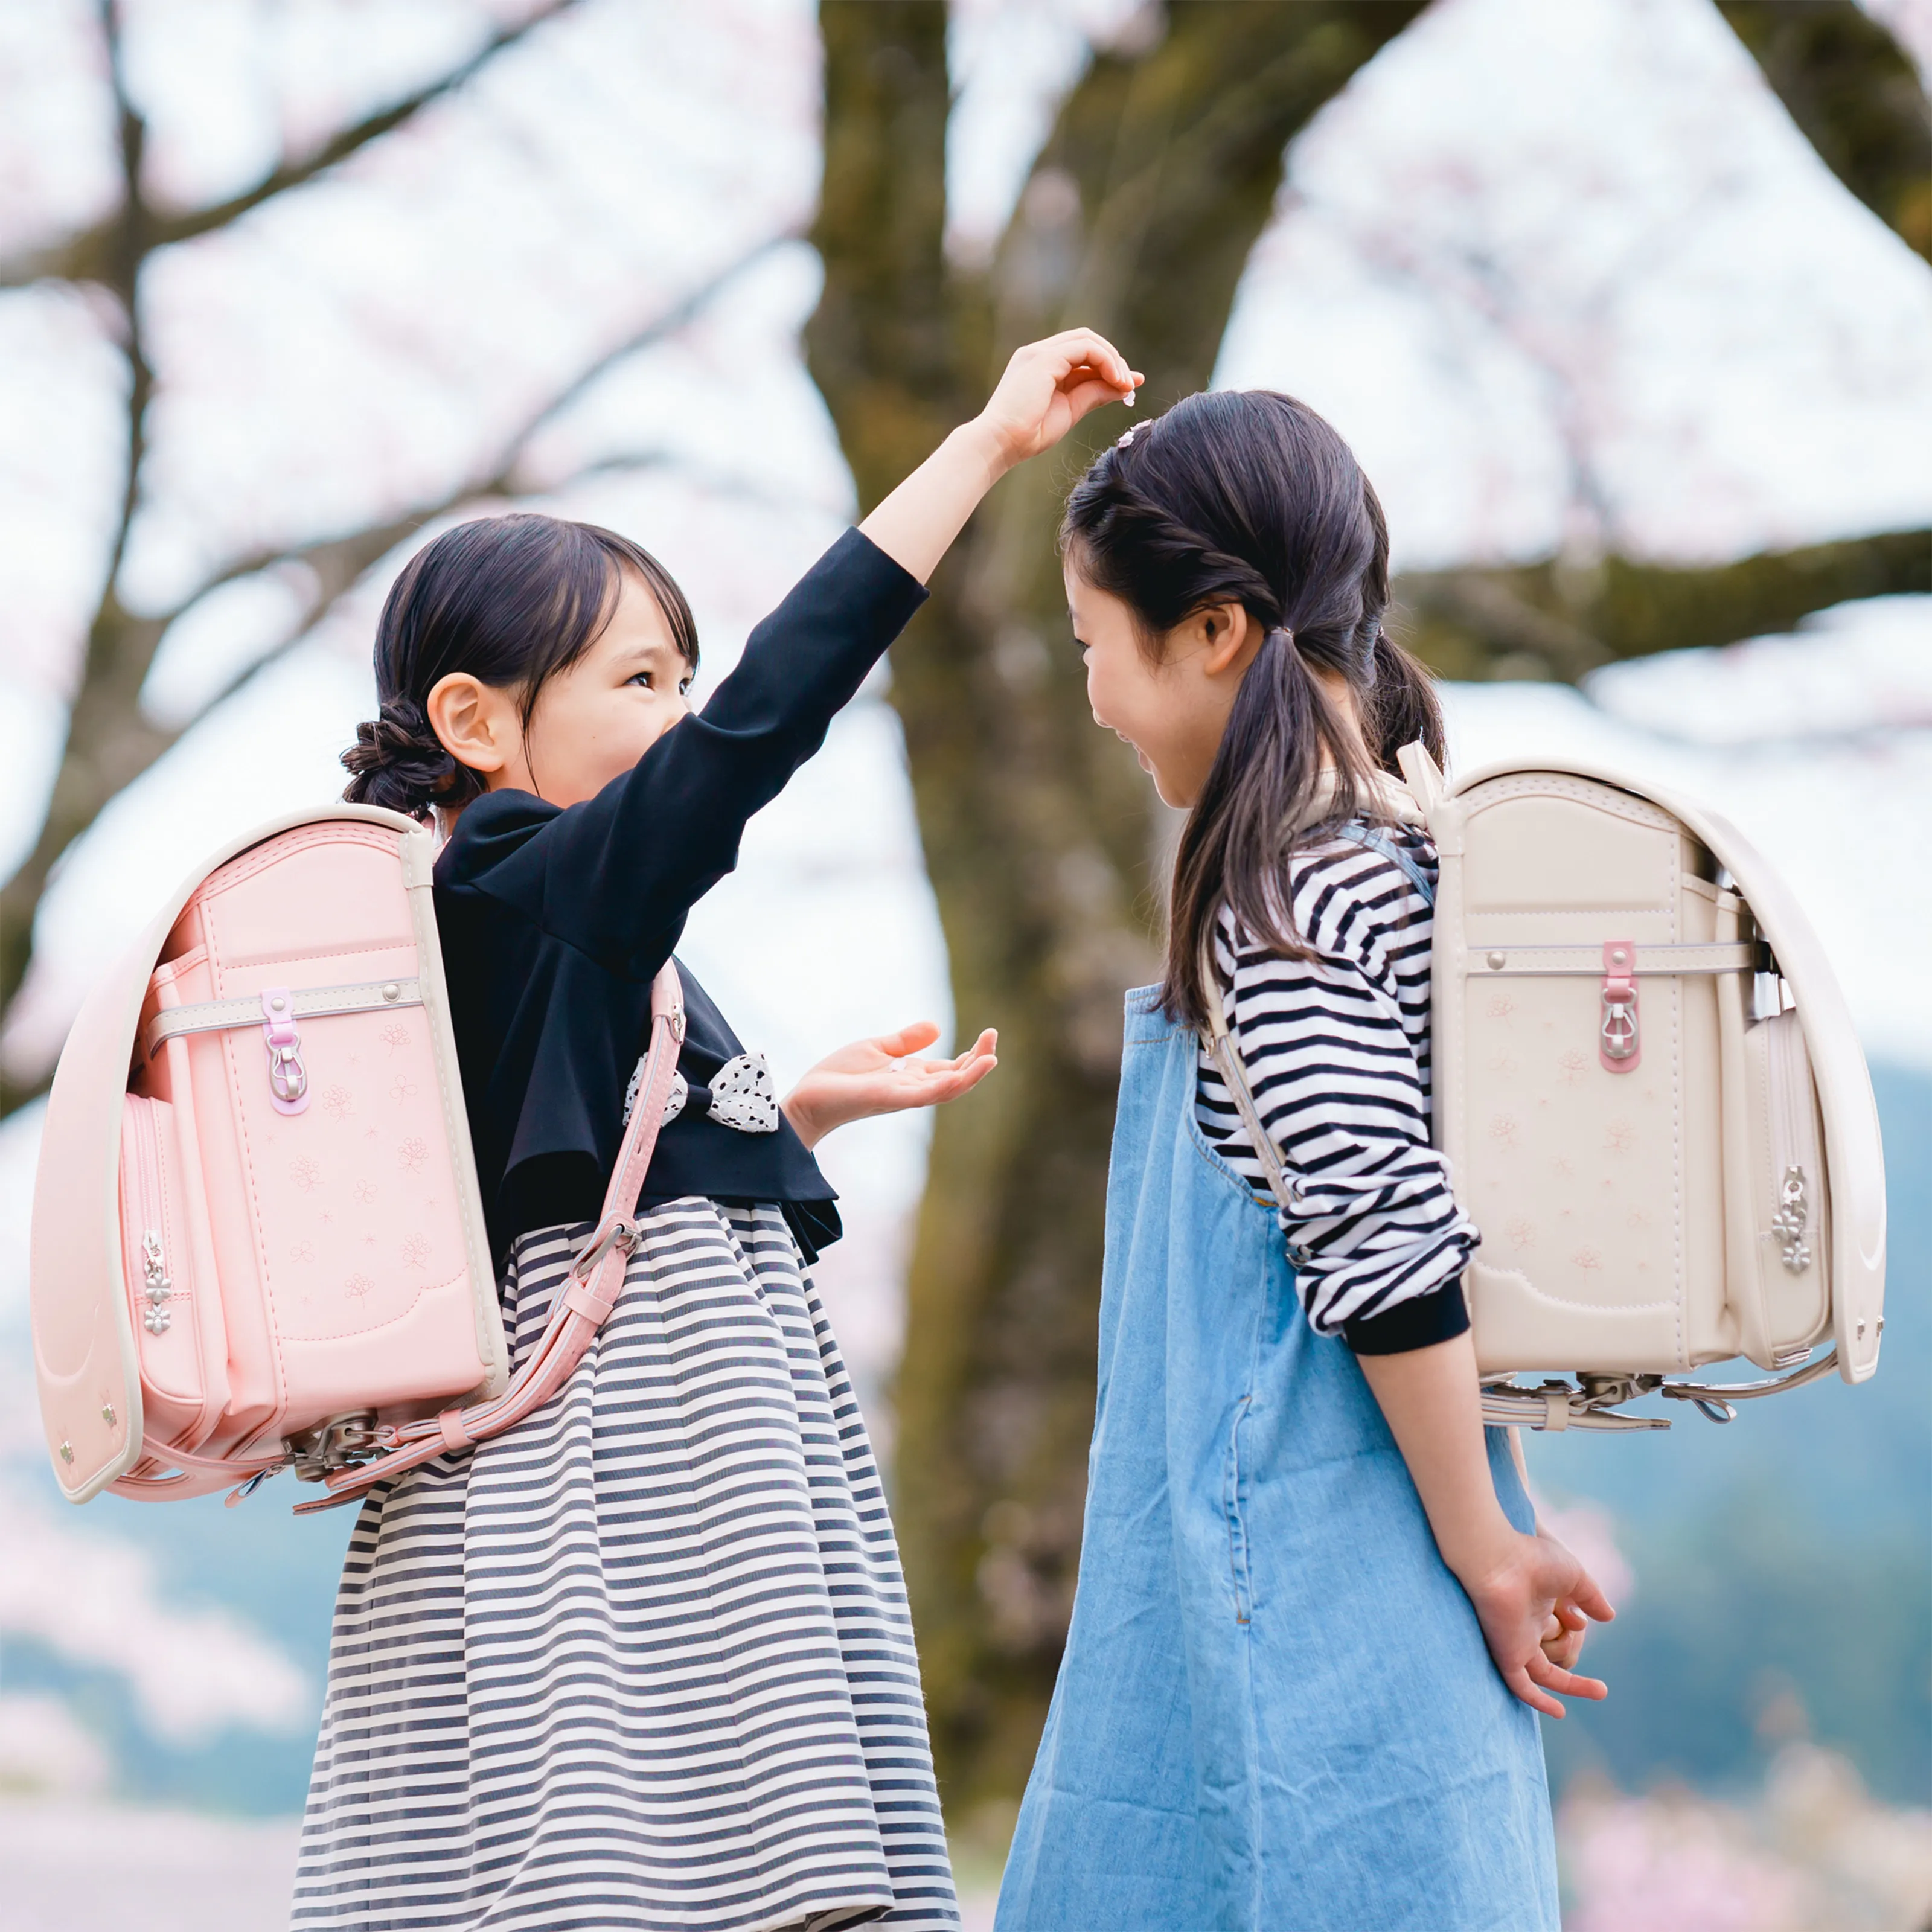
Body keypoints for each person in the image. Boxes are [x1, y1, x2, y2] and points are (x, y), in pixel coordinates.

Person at [296, 328, 1143, 1932]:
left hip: (599, 1404)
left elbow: (628, 1130)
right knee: (681, 1856)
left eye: (681, 675)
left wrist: (798, 1099)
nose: (682, 716)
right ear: (477, 720)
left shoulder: (497, 914)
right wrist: (978, 448)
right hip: (638, 1427)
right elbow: (771, 717)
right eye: (641, 679)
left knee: (607, 1850)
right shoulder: (521, 879)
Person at [995, 389, 1616, 1932]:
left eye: (1091, 646)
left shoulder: (1278, 895)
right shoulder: (1408, 848)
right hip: (1391, 1523)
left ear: (1211, 630)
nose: (1089, 695)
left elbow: (1379, 1228)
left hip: (1304, 1561)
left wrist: (1482, 1548)